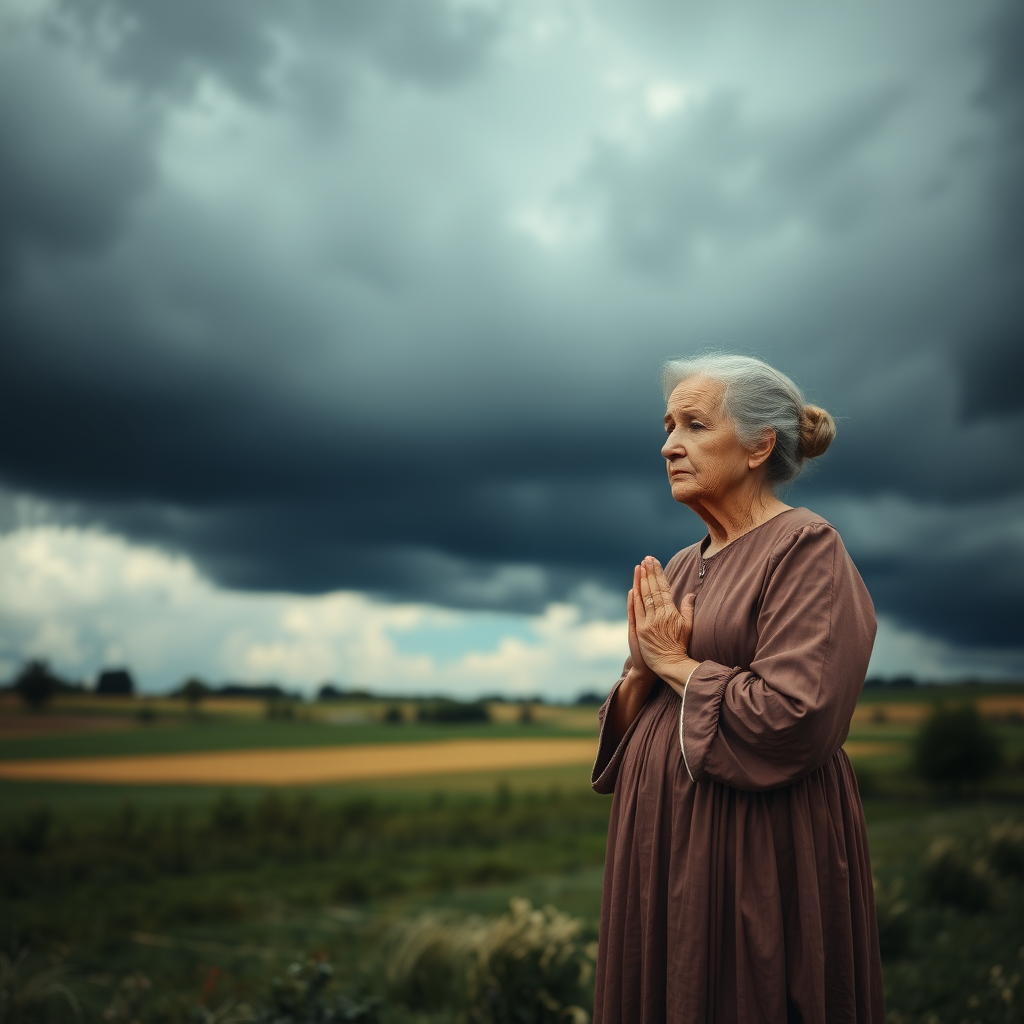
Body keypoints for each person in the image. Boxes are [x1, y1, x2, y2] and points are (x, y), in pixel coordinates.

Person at [591, 353, 885, 1024]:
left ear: (760, 446)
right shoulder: (680, 563)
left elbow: (796, 713)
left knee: (742, 990)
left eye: (694, 425)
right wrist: (642, 670)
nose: (669, 445)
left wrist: (675, 663)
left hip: (752, 837)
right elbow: (645, 701)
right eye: (667, 427)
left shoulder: (806, 547)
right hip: (659, 835)